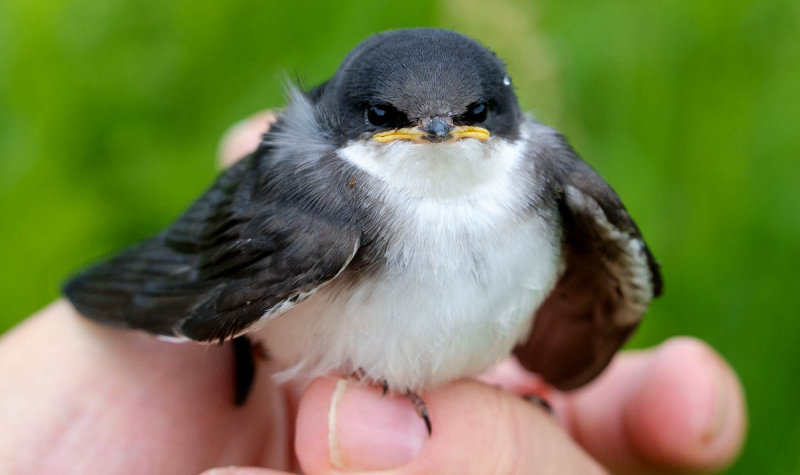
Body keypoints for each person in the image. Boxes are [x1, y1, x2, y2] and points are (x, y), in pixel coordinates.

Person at [0, 113, 746, 474]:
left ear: (507, 122)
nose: (437, 129)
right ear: (355, 127)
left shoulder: (551, 183)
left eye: (468, 117)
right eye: (396, 120)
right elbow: (183, 274)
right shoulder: (314, 214)